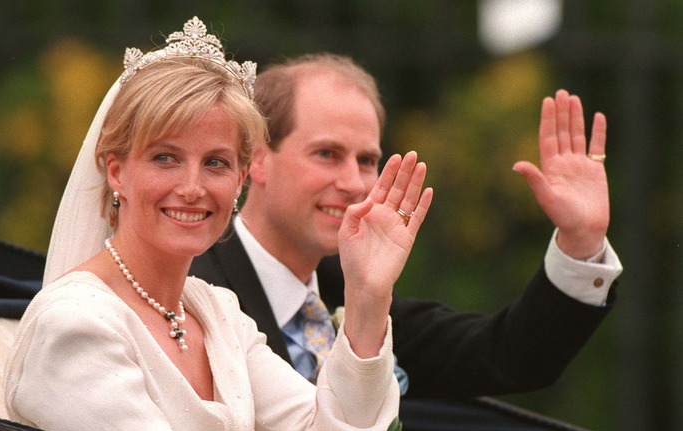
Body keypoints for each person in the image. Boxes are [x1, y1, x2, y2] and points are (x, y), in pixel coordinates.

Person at [4, 18, 431, 431]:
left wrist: (367, 294)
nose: (192, 189)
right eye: (165, 158)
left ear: (241, 178)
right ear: (116, 172)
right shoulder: (76, 324)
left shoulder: (219, 316)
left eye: (215, 163)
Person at [190, 53, 623, 399]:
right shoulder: (193, 287)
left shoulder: (354, 289)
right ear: (258, 159)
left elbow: (509, 357)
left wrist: (581, 242)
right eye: (327, 154)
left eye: (367, 161)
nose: (354, 183)